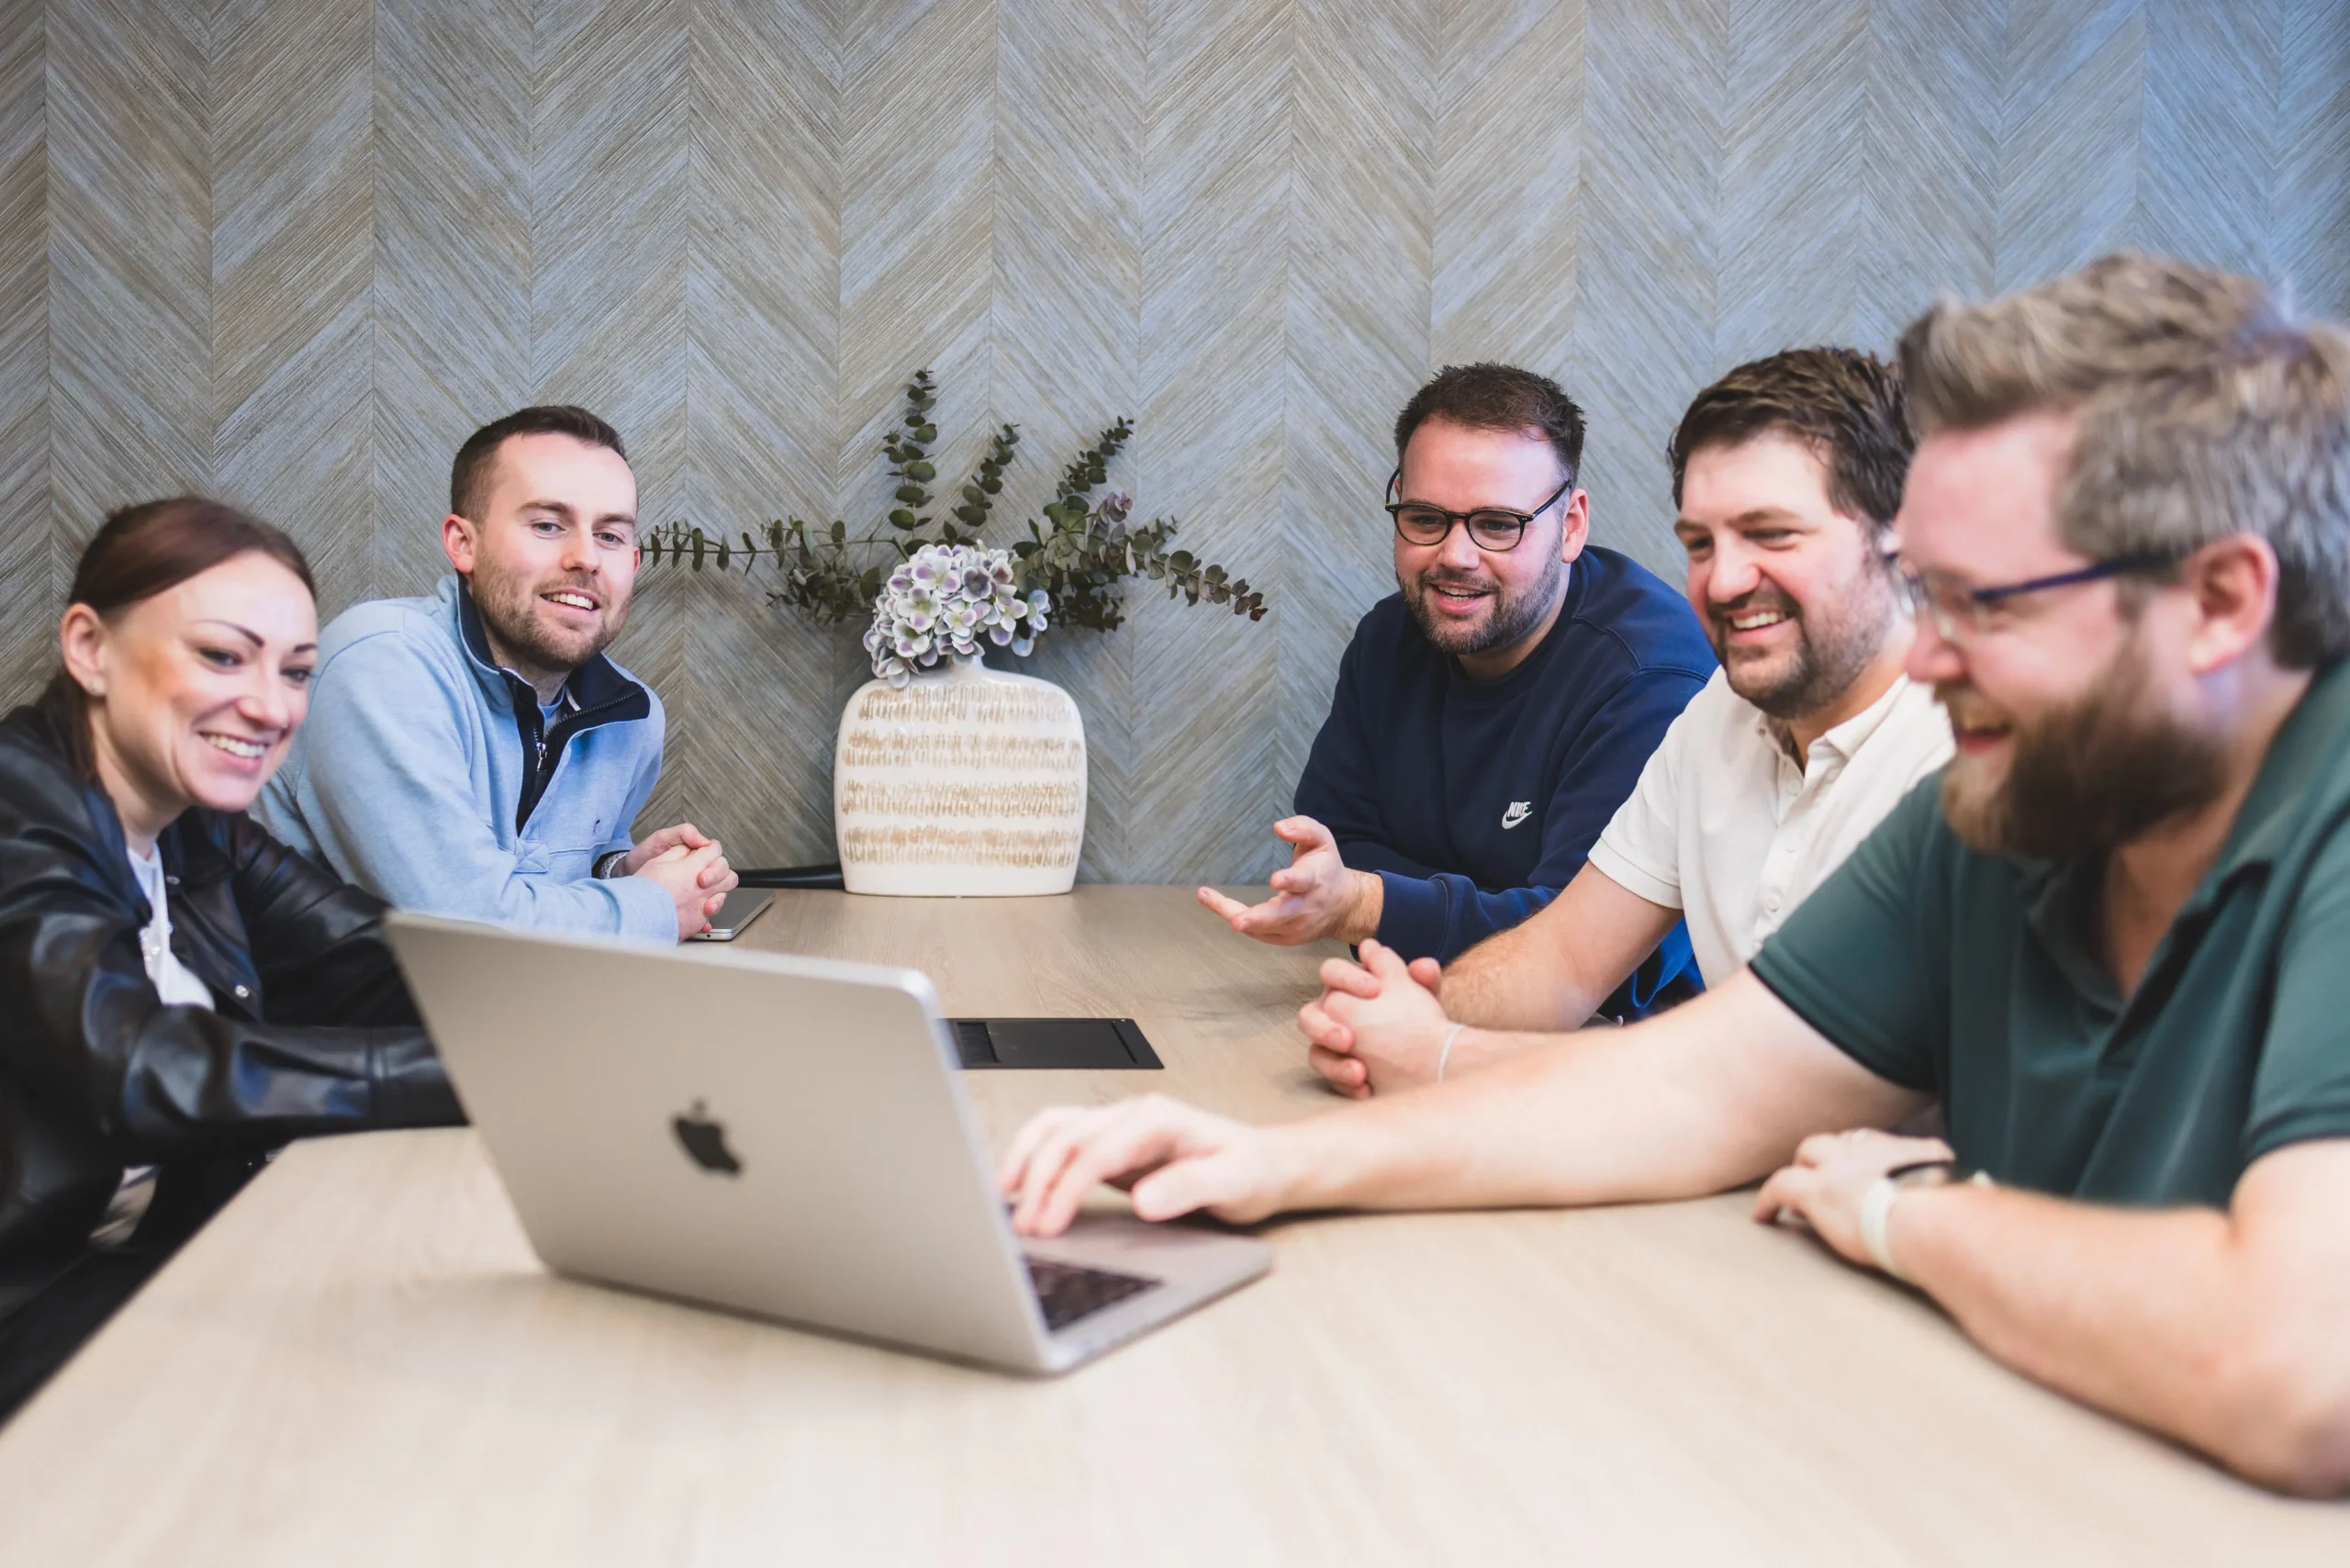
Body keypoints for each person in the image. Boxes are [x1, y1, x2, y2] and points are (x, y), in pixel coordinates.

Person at [1000, 256, 2350, 1495]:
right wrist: (1267, 1163)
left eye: (1990, 606)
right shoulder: (2001, 796)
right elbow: (1688, 1088)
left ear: (2224, 601)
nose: (1932, 661)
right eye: (1933, 594)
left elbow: (2295, 1373)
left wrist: (1915, 1217)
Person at [1311, 348, 1953, 1096]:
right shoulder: (1721, 714)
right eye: (1702, 544)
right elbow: (1561, 961)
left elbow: (1801, 1082)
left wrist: (1444, 1050)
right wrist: (1417, 1026)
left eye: (1774, 534)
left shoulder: (1978, 754)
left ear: (1902, 536)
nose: (1726, 580)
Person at [0, 498, 465, 1419]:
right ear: (88, 646)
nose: (269, 705)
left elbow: (382, 961)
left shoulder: (194, 826)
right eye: (222, 654)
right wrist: (482, 1072)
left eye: (296, 671)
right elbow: (140, 1068)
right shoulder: (17, 810)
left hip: (140, 1258)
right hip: (31, 1294)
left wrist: (619, 1019)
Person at [1201, 363, 1715, 1020]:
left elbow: (1590, 958)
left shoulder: (1649, 678)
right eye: (1426, 517)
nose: (1456, 556)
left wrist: (1373, 903)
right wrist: (1499, 907)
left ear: (1573, 525)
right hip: (1425, 1007)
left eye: (1499, 523)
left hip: (1627, 1049)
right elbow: (1340, 846)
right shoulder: (1392, 638)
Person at [255, 405, 735, 941]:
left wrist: (619, 871)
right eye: (548, 525)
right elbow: (463, 928)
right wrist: (654, 907)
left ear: (633, 565)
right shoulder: (379, 664)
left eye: (611, 536)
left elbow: (537, 887)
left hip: (509, 1014)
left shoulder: (635, 718)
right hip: (322, 1020)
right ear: (465, 543)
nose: (587, 558)